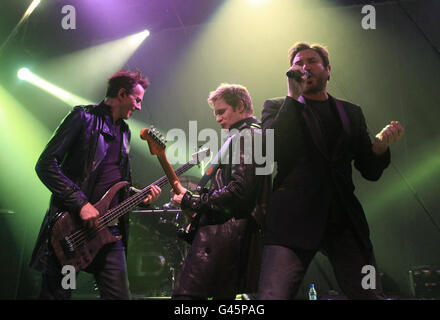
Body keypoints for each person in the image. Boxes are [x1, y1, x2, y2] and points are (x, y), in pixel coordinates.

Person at [257, 42, 404, 300]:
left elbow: (369, 170)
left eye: (311, 61)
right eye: (298, 63)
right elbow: (270, 152)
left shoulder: (351, 113)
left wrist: (379, 148)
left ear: (327, 70)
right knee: (273, 296)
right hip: (293, 218)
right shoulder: (277, 106)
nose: (304, 67)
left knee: (369, 294)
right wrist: (292, 98)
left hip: (343, 219)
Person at [29, 70, 161, 299]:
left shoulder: (124, 131)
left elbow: (118, 183)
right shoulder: (83, 117)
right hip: (71, 229)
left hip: (108, 233)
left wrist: (140, 196)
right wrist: (80, 204)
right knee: (58, 295)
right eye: (137, 99)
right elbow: (45, 164)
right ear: (121, 94)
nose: (139, 107)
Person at [170, 83, 271, 300]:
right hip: (225, 236)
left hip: (222, 238)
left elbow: (239, 190)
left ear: (241, 106)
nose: (217, 119)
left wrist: (192, 201)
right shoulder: (244, 136)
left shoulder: (247, 136)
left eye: (221, 112)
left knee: (185, 298)